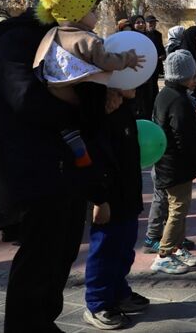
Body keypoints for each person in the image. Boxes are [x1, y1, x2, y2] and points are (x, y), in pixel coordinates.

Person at [0, 0, 105, 331]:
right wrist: (81, 105)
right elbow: (25, 99)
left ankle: (43, 321)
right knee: (39, 255)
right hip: (35, 168)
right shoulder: (15, 39)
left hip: (69, 164)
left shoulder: (62, 36)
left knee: (62, 251)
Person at [31, 0, 145, 168]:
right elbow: (106, 62)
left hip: (55, 86)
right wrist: (128, 59)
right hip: (85, 88)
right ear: (78, 15)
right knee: (94, 123)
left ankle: (72, 137)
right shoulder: (87, 39)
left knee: (70, 121)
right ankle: (88, 154)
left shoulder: (52, 34)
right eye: (91, 11)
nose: (96, 15)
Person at [82, 87, 150, 329]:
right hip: (109, 197)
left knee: (124, 247)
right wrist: (99, 199)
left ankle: (118, 292)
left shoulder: (124, 109)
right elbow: (95, 159)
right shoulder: (100, 114)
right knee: (105, 250)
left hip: (128, 193)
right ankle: (97, 303)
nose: (137, 84)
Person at [151, 50, 196, 275]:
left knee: (181, 207)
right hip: (175, 164)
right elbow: (184, 137)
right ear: (184, 76)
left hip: (172, 163)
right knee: (177, 208)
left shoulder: (167, 94)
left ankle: (176, 247)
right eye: (193, 75)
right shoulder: (178, 100)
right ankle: (163, 254)